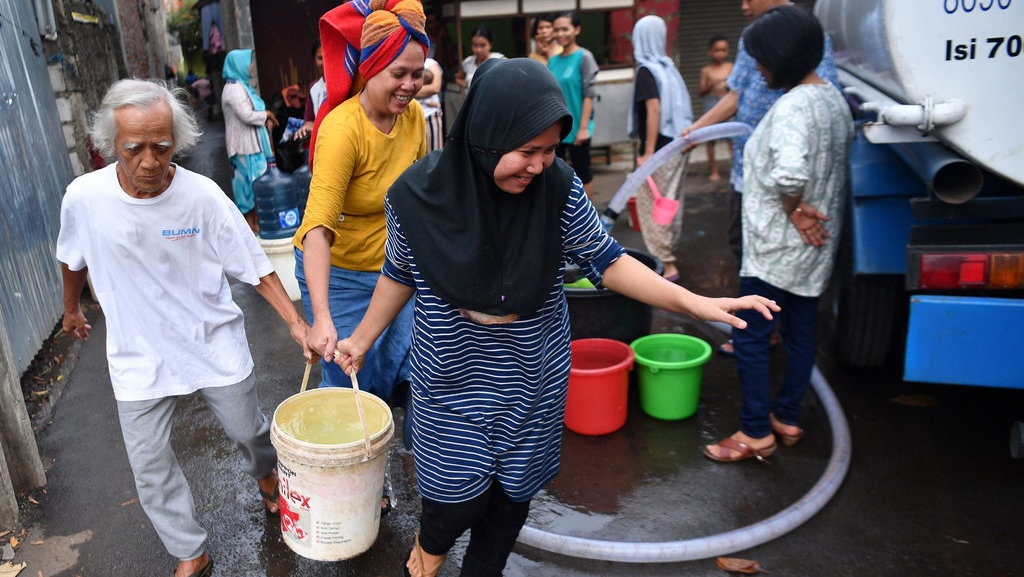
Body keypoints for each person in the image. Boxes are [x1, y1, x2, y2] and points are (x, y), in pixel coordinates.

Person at [331, 58, 780, 577]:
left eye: (549, 151)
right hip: (454, 378)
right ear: (486, 137)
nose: (539, 165)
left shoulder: (558, 187)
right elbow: (398, 274)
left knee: (509, 505)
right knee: (454, 503)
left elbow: (606, 260)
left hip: (531, 378)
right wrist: (362, 340)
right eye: (526, 151)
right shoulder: (415, 198)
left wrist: (696, 302)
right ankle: (426, 557)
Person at [56, 78, 313, 577]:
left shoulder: (201, 196)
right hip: (138, 356)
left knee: (248, 430)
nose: (150, 161)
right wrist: (71, 309)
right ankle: (190, 550)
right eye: (135, 148)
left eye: (162, 146)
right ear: (111, 145)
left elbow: (253, 263)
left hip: (211, 341)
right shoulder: (84, 197)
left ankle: (265, 473)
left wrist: (295, 323)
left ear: (178, 141)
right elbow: (71, 257)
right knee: (150, 468)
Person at [703, 6, 853, 463]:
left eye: (762, 59)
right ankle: (787, 418)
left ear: (783, 57)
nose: (759, 68)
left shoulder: (791, 108)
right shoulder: (832, 99)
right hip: (813, 249)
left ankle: (755, 432)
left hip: (775, 248)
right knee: (802, 331)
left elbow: (789, 175)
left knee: (750, 336)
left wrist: (792, 207)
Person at [682, 0, 838, 355]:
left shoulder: (807, 39)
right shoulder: (753, 37)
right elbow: (736, 95)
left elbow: (820, 101)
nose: (743, 5)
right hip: (747, 173)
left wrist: (796, 203)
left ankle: (763, 330)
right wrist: (694, 132)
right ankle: (760, 326)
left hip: (785, 181)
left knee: (779, 261)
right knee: (744, 249)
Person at [293, 0, 428, 405]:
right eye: (398, 73)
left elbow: (421, 196)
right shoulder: (342, 130)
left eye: (418, 74)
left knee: (392, 367)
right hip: (341, 274)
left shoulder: (415, 116)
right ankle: (345, 464)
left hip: (393, 270)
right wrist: (321, 316)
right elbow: (317, 227)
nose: (409, 85)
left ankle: (383, 454)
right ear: (370, 68)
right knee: (349, 379)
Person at [629, 15, 693, 282]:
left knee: (654, 207)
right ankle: (667, 258)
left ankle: (667, 265)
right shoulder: (668, 68)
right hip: (677, 147)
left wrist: (647, 152)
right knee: (669, 203)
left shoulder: (647, 70)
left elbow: (653, 108)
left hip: (659, 152)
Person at [220, 49, 278, 234]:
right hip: (243, 147)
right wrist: (267, 114)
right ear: (238, 65)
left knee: (255, 184)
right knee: (247, 188)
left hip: (250, 145)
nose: (252, 66)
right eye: (249, 62)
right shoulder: (234, 88)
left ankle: (256, 225)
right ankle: (251, 229)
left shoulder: (242, 85)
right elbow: (246, 115)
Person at [548, 11, 598, 200]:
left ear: (577, 30)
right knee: (555, 173)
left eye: (565, 29)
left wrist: (584, 128)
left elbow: (588, 95)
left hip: (578, 128)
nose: (560, 33)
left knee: (582, 172)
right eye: (557, 29)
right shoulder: (552, 61)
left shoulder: (584, 57)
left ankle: (589, 222)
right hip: (557, 129)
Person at [698, 35, 734, 182]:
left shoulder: (730, 67)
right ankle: (713, 170)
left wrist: (727, 83)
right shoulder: (706, 70)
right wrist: (712, 84)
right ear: (710, 52)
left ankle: (734, 168)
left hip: (728, 102)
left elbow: (736, 87)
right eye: (717, 50)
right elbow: (701, 91)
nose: (720, 54)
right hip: (712, 104)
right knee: (710, 139)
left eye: (723, 50)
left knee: (732, 138)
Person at [295, 40, 324, 141]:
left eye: (328, 56)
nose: (324, 63)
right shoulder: (314, 88)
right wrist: (307, 126)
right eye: (320, 58)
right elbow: (310, 119)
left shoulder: (348, 83)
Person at [417, 58, 445, 152]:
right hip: (411, 116)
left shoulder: (430, 63)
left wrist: (409, 91)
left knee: (433, 154)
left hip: (429, 116)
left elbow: (435, 88)